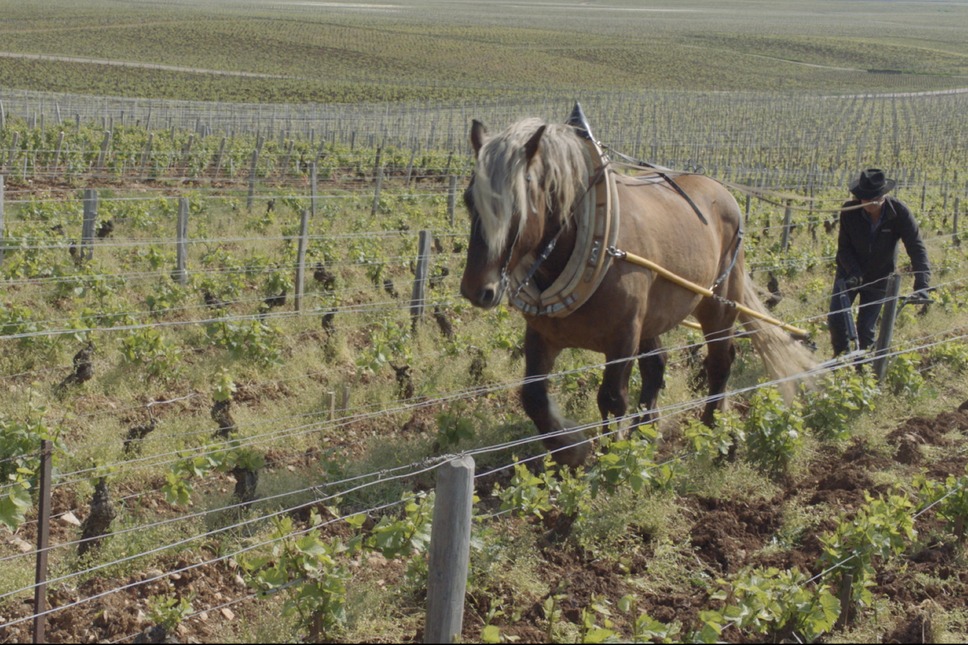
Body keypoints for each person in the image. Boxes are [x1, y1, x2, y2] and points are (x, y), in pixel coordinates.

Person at [828, 168, 931, 357]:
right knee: (836, 318)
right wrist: (854, 272)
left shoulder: (899, 213)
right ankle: (840, 361)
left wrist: (922, 284)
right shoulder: (849, 212)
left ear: (883, 195)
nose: (867, 203)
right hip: (849, 274)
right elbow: (843, 249)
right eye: (863, 198)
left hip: (879, 277)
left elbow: (916, 248)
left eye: (873, 197)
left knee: (866, 329)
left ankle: (863, 369)